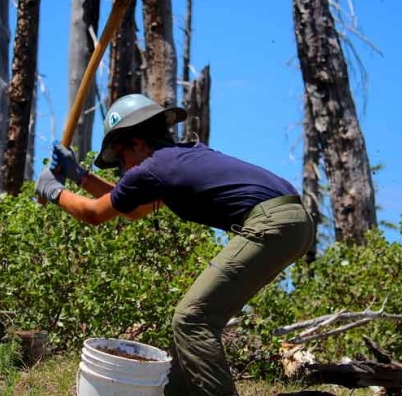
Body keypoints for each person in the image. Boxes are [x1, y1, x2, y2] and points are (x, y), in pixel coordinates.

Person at [36, 94, 314, 396]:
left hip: (272, 222)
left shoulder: (152, 168)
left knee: (192, 318)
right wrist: (79, 176)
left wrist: (53, 190)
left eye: (120, 157)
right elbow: (133, 209)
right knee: (191, 323)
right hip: (293, 221)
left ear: (138, 142)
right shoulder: (175, 159)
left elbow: (94, 214)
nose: (122, 167)